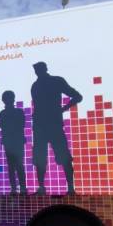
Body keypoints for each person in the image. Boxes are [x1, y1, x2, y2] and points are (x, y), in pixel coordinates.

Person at [30, 61, 82, 195]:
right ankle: (43, 188)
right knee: (42, 158)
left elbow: (77, 96)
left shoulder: (51, 82)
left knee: (63, 157)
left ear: (44, 69)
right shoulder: (36, 85)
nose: (37, 72)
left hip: (51, 125)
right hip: (42, 127)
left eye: (38, 69)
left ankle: (70, 188)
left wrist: (63, 109)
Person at [0, 91, 27, 195]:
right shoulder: (16, 112)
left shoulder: (4, 113)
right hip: (13, 141)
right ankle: (19, 188)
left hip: (13, 141)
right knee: (15, 166)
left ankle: (19, 188)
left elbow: (2, 125)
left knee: (15, 166)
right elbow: (21, 124)